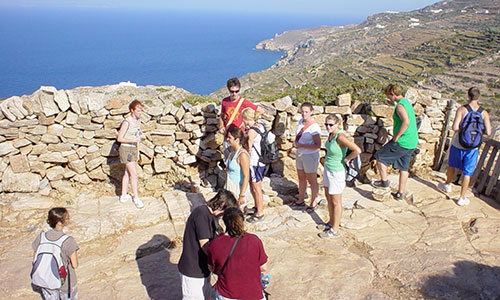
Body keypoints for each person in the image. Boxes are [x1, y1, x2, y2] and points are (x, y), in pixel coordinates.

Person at [178, 190, 239, 300]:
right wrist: (220, 260)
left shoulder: (209, 216)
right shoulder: (202, 215)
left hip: (202, 269)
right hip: (193, 270)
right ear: (221, 206)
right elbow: (205, 244)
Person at [439, 87, 491, 206]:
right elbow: (488, 132)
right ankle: (462, 197)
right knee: (467, 172)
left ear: (468, 96)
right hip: (473, 147)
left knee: (452, 166)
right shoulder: (484, 113)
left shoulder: (462, 109)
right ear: (478, 97)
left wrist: (465, 131)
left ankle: (447, 185)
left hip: (458, 144)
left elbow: (455, 127)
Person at [207, 208, 268, 300]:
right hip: (253, 294)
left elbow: (211, 268)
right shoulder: (254, 240)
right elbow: (263, 267)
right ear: (242, 221)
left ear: (224, 222)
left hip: (227, 294)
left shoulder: (215, 244)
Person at [372, 84, 418, 200]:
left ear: (393, 94)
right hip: (411, 141)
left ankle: (384, 182)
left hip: (402, 141)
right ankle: (400, 194)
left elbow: (406, 122)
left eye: (388, 96)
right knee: (404, 167)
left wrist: (396, 137)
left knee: (380, 158)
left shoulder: (400, 106)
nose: (388, 99)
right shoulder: (407, 103)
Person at [318, 114, 361, 238]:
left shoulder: (340, 137)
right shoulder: (331, 135)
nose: (328, 127)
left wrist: (347, 159)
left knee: (336, 201)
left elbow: (357, 150)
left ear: (338, 124)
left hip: (337, 171)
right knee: (328, 197)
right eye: (326, 124)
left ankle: (335, 229)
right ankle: (331, 222)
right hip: (328, 169)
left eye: (331, 124)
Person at [32, 207, 79, 300]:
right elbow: (75, 265)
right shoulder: (68, 241)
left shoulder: (41, 237)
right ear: (60, 222)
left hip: (45, 280)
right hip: (65, 283)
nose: (69, 219)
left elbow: (35, 259)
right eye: (67, 218)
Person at [219, 77, 263, 159]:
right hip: (228, 136)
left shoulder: (243, 102)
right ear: (228, 90)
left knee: (239, 159)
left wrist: (253, 123)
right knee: (228, 160)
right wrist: (221, 126)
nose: (234, 94)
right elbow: (222, 115)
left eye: (237, 91)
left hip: (240, 136)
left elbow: (259, 110)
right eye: (232, 91)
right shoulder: (225, 101)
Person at [291, 102, 321, 210]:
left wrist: (301, 145)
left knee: (312, 179)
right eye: (302, 111)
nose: (304, 114)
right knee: (301, 177)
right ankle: (300, 200)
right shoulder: (300, 122)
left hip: (310, 155)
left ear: (311, 112)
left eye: (306, 112)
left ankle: (313, 202)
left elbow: (318, 145)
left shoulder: (314, 127)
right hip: (300, 154)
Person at [117, 99, 144, 208]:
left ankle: (123, 195)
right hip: (126, 149)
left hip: (133, 149)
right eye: (138, 110)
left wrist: (137, 151)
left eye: (141, 110)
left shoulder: (138, 121)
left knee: (127, 173)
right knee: (134, 174)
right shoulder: (126, 122)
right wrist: (132, 140)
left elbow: (137, 136)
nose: (140, 112)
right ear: (132, 110)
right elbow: (119, 138)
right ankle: (136, 198)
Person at [241, 107, 266, 222]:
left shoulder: (251, 132)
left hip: (254, 162)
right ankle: (257, 207)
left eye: (243, 120)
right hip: (261, 161)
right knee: (254, 186)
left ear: (247, 119)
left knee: (256, 188)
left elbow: (249, 149)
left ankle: (259, 213)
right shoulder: (260, 126)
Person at [225, 127, 250, 208]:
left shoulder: (242, 155)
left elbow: (246, 176)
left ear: (237, 140)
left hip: (238, 188)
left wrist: (242, 195)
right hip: (229, 186)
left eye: (230, 138)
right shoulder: (232, 152)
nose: (227, 139)